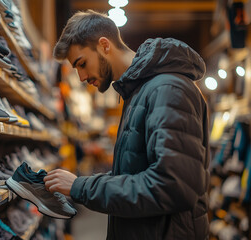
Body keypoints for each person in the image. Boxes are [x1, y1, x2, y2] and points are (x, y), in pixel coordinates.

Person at [44, 10, 210, 240]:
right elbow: (135, 172)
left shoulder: (168, 89)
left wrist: (80, 187)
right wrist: (84, 183)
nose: (81, 77)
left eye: (82, 64)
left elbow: (172, 186)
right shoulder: (138, 93)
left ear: (104, 45)